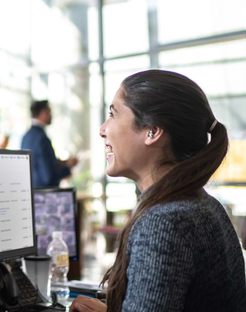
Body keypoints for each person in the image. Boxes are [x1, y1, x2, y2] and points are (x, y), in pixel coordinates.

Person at [70, 70, 246, 312]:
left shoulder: (164, 221)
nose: (102, 130)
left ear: (152, 132)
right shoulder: (203, 204)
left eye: (113, 114)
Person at [21, 100, 77, 187]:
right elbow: (49, 177)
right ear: (44, 113)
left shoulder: (25, 137)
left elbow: (38, 164)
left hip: (31, 190)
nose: (52, 115)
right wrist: (68, 167)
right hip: (45, 192)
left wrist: (61, 163)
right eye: (50, 112)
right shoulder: (42, 138)